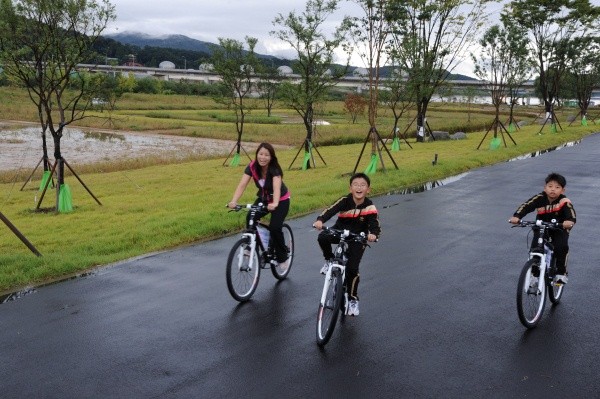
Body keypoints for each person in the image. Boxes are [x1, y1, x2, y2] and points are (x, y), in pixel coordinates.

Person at [313, 173, 381, 316]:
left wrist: (373, 234)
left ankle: (352, 299)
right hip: (339, 231)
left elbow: (375, 224)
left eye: (363, 185)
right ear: (350, 188)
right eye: (356, 184)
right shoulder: (344, 200)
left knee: (352, 268)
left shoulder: (370, 207)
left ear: (368, 189)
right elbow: (330, 211)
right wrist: (320, 220)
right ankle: (329, 260)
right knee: (323, 237)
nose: (359, 187)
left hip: (358, 237)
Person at [228, 143, 291, 270]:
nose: (263, 157)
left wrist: (275, 203)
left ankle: (282, 257)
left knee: (275, 227)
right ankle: (251, 248)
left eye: (267, 155)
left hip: (281, 200)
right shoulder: (252, 167)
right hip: (264, 199)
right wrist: (234, 201)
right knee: (250, 217)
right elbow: (242, 185)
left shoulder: (275, 169)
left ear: (271, 157)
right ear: (257, 154)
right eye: (260, 154)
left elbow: (277, 188)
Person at [509, 172, 576, 285]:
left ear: (562, 190)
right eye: (550, 186)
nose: (553, 190)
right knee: (535, 248)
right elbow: (526, 205)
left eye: (557, 187)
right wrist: (517, 216)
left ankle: (561, 273)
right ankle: (534, 275)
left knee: (561, 247)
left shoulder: (564, 202)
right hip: (541, 227)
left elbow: (571, 214)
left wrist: (569, 221)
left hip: (559, 228)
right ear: (545, 188)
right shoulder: (540, 198)